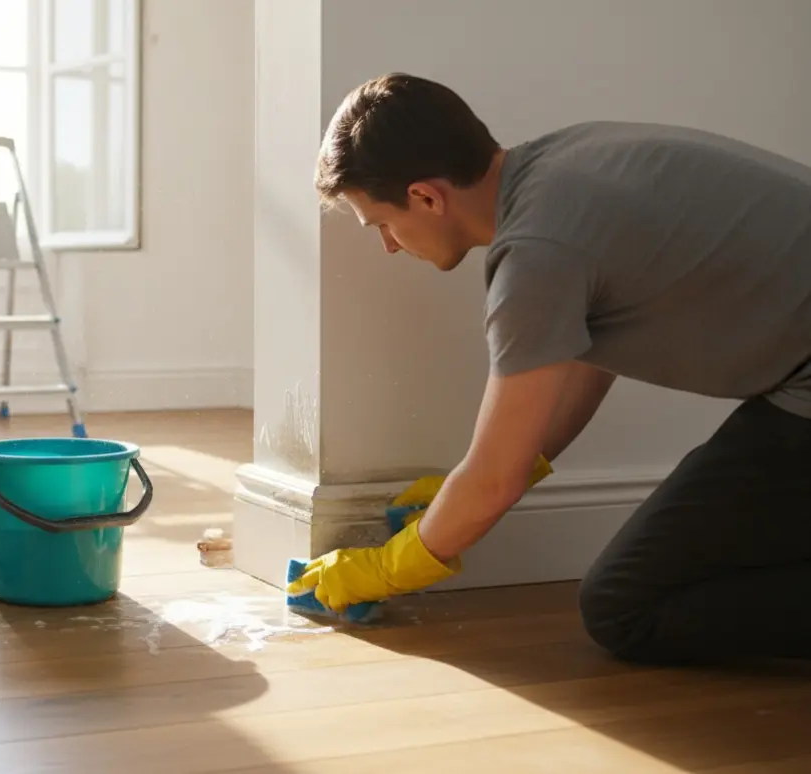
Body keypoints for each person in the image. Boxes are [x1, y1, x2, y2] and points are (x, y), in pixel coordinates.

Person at [285, 72, 811, 667]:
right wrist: (516, 466)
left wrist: (386, 568)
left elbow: (492, 480)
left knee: (623, 606)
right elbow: (592, 352)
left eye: (382, 223)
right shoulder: (565, 164)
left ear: (427, 197)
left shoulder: (536, 257)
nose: (387, 245)